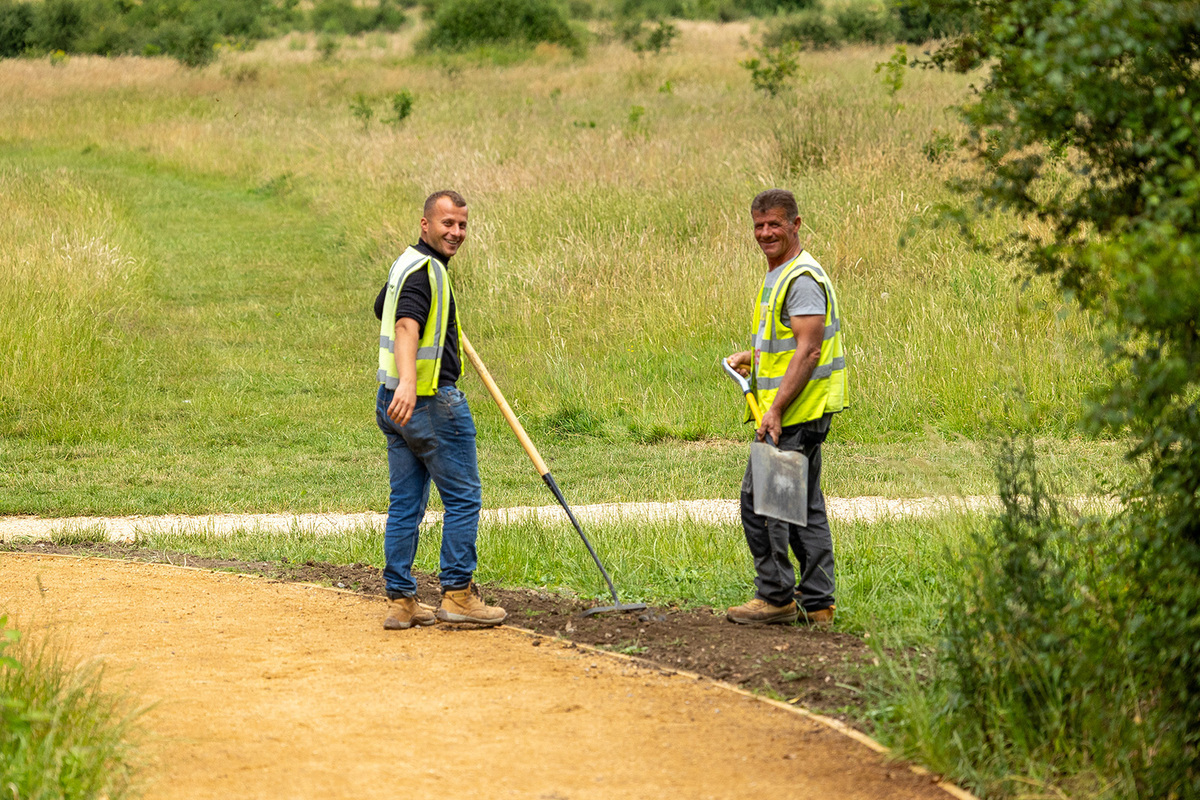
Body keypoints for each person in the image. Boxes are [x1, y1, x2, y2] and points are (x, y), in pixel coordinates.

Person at [373, 190, 506, 630]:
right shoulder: (427, 272)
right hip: (427, 401)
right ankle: (458, 594)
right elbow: (404, 324)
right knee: (464, 498)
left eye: (462, 225)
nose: (456, 232)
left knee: (405, 504)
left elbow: (382, 306)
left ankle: (401, 601)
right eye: (448, 223)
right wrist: (410, 384)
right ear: (425, 224)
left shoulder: (406, 262)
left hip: (390, 401)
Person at [725, 189, 848, 626]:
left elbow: (809, 350)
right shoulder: (781, 274)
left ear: (796, 224)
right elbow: (791, 344)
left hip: (794, 414)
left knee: (765, 504)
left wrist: (774, 409)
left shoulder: (801, 279)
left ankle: (775, 597)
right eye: (758, 225)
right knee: (804, 508)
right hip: (800, 411)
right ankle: (818, 604)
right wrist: (754, 358)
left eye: (774, 224)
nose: (765, 233)